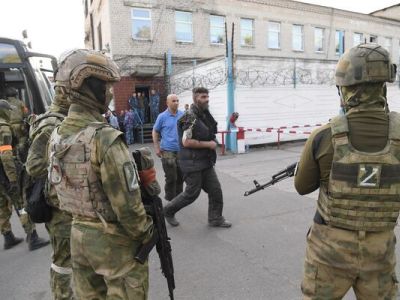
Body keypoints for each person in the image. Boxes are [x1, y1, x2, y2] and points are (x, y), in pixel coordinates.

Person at [294, 43, 399, 299]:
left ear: (345, 90)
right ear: (383, 86)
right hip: (380, 248)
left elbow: (302, 186)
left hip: (329, 249)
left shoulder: (324, 136)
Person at [47, 49, 153, 299]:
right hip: (113, 244)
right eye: (106, 85)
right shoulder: (104, 138)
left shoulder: (57, 136)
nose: (109, 92)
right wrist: (147, 232)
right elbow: (128, 208)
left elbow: (54, 193)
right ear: (88, 87)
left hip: (78, 236)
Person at [26, 84, 73, 299]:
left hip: (65, 202)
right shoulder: (52, 124)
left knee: (69, 256)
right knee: (62, 259)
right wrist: (62, 165)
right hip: (57, 206)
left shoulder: (62, 120)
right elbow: (34, 165)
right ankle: (61, 295)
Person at [163, 87, 231, 228]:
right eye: (203, 97)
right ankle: (168, 210)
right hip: (191, 163)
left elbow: (208, 132)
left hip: (205, 162)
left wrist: (212, 142)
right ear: (195, 99)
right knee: (191, 194)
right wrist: (209, 145)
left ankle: (215, 218)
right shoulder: (189, 117)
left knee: (215, 190)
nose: (206, 100)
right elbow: (186, 142)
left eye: (207, 97)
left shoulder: (204, 114)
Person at [0, 99, 49, 251]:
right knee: (20, 204)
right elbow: (6, 155)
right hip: (5, 173)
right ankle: (32, 237)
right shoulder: (3, 128)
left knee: (1, 205)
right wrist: (13, 179)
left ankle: (8, 236)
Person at [152, 94, 184, 201]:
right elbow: (155, 131)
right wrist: (156, 147)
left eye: (177, 100)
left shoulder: (182, 115)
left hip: (181, 150)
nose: (176, 103)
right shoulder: (162, 116)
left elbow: (187, 130)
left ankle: (179, 198)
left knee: (181, 175)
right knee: (171, 177)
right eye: (173, 101)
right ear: (167, 103)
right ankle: (170, 199)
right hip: (167, 150)